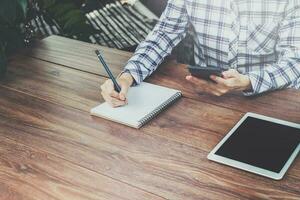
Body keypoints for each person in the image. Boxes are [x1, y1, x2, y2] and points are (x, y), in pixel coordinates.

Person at [101, 0, 300, 107]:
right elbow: (163, 34)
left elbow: (296, 60)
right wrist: (127, 77)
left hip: (274, 99)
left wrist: (249, 82)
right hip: (208, 98)